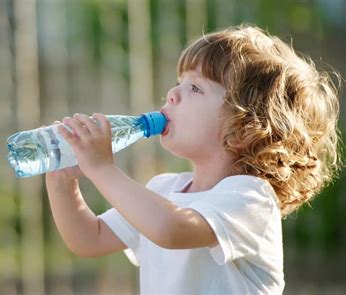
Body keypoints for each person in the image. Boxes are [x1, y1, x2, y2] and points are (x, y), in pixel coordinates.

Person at [44, 24, 342, 294]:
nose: (172, 93)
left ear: (242, 129)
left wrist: (102, 169)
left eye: (195, 88)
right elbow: (89, 239)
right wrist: (61, 183)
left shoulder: (251, 199)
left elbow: (171, 230)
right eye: (179, 82)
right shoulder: (163, 189)